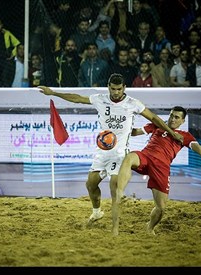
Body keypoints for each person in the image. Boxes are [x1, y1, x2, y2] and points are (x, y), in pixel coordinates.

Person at [38, 73, 183, 234]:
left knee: (114, 189)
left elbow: (154, 118)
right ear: (108, 87)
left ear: (124, 88)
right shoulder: (100, 99)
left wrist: (171, 132)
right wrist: (53, 93)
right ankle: (97, 211)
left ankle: (114, 230)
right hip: (102, 152)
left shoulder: (133, 104)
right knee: (91, 184)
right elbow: (78, 98)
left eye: (119, 89)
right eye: (113, 89)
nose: (115, 92)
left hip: (120, 154)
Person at [116, 106, 201, 236]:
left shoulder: (186, 136)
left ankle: (150, 228)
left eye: (176, 117)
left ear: (183, 121)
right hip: (145, 157)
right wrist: (122, 126)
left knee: (161, 208)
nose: (172, 119)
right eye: (171, 116)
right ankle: (119, 192)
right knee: (129, 157)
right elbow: (134, 132)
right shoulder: (158, 125)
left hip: (162, 168)